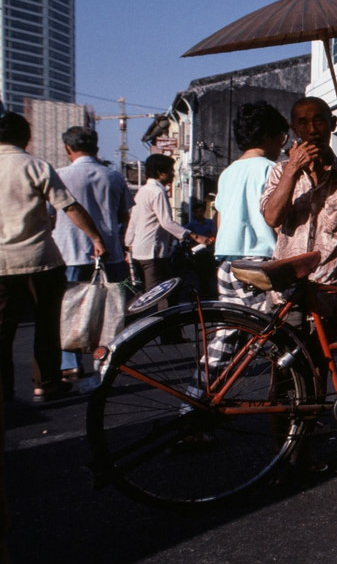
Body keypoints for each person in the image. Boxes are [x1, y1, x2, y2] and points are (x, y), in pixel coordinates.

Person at [0, 111, 107, 402]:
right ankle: (46, 383)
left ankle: (3, 392)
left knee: (2, 332)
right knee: (47, 325)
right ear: (27, 137)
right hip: (40, 260)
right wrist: (95, 238)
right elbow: (69, 206)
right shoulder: (35, 165)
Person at [260, 96, 337, 379]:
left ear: (331, 125)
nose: (313, 129)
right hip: (288, 289)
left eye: (319, 120)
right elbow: (272, 217)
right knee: (285, 371)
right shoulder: (280, 170)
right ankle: (285, 422)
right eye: (303, 122)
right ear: (294, 129)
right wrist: (293, 170)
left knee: (318, 366)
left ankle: (310, 420)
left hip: (327, 287)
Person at [52, 126, 131, 391]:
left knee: (69, 310)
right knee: (110, 310)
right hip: (110, 252)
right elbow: (123, 216)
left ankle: (69, 362)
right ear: (97, 146)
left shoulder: (59, 176)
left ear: (67, 148)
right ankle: (106, 358)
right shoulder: (114, 177)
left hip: (69, 251)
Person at [212, 102, 289, 314]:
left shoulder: (228, 172)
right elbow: (276, 216)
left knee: (231, 328)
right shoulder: (272, 169)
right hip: (258, 262)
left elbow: (220, 216)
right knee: (267, 329)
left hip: (227, 261)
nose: (282, 146)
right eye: (282, 138)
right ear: (267, 136)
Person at [125, 154, 212, 312]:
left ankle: (170, 334)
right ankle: (163, 331)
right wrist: (195, 236)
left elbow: (133, 222)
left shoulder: (143, 191)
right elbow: (166, 222)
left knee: (164, 292)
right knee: (159, 296)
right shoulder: (157, 192)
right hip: (153, 252)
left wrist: (129, 245)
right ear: (160, 172)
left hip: (142, 251)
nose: (173, 174)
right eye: (170, 170)